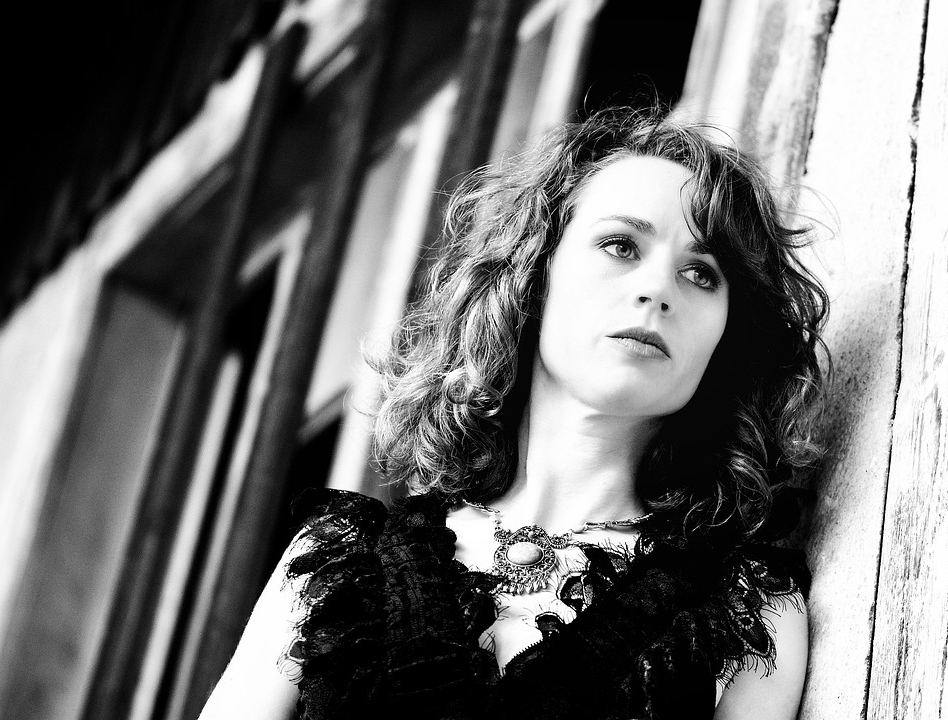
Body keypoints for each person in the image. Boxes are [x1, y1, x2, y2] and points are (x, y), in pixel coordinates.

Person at [199, 108, 828, 720]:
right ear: (534, 272)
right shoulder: (337, 562)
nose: (657, 288)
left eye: (702, 273)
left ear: (727, 340)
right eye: (620, 245)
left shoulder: (747, 613)